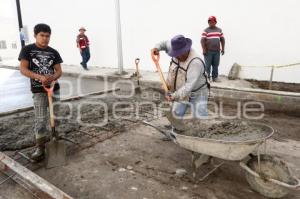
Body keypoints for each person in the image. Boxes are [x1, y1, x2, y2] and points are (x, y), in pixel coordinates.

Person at [19, 23, 63, 161]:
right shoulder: (27, 50)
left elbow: (59, 71)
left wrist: (52, 77)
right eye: (42, 35)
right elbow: (23, 69)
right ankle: (40, 147)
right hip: (38, 91)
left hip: (54, 89)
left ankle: (55, 139)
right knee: (40, 119)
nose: (45, 39)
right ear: (35, 35)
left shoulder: (53, 52)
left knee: (55, 116)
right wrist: (40, 77)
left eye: (47, 36)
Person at [152, 35, 209, 121]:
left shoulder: (195, 62)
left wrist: (173, 96)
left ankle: (203, 132)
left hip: (197, 92)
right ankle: (176, 130)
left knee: (200, 117)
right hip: (180, 89)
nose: (177, 57)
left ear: (186, 50)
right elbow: (164, 44)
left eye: (179, 54)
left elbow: (188, 87)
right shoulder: (174, 47)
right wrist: (157, 48)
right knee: (176, 114)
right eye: (175, 54)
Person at [201, 16, 225, 82]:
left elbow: (222, 40)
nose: (211, 23)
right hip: (208, 51)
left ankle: (215, 77)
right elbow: (202, 41)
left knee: (215, 65)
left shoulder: (219, 30)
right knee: (207, 65)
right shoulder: (206, 30)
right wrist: (204, 49)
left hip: (217, 51)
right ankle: (207, 78)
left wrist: (223, 49)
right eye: (209, 21)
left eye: (212, 21)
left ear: (215, 22)